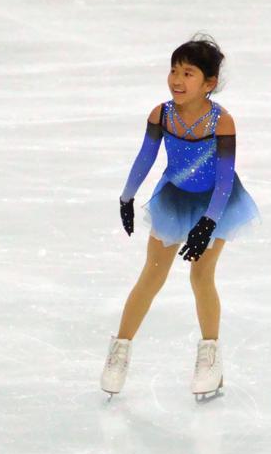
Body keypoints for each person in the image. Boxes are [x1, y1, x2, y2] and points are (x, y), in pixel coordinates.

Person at [101, 35, 260, 400]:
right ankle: (119, 351)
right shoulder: (162, 114)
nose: (177, 79)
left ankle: (210, 358)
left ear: (209, 84)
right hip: (173, 200)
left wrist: (208, 224)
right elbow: (145, 158)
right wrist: (127, 196)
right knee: (151, 276)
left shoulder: (222, 122)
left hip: (217, 204)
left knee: (201, 275)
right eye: (174, 70)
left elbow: (223, 181)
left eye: (188, 73)